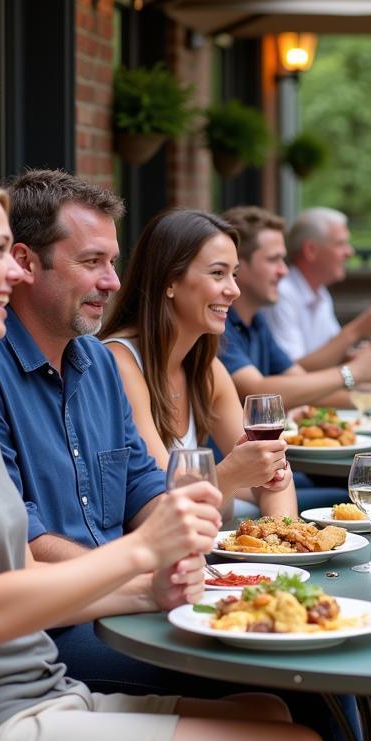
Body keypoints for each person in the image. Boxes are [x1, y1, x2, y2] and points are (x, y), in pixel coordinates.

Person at [0, 167, 331, 741]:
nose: (12, 274)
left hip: (36, 694)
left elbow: (27, 565)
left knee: (274, 717)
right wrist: (139, 558)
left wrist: (145, 586)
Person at [100, 208, 296, 518]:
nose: (234, 290)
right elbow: (167, 500)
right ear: (170, 281)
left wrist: (282, 545)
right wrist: (233, 472)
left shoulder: (207, 370)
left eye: (234, 274)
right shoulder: (119, 364)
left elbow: (276, 478)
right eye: (218, 273)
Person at [220, 205, 371, 410]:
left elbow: (299, 382)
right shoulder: (220, 326)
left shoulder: (256, 321)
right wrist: (354, 372)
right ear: (237, 266)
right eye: (273, 259)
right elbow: (258, 391)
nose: (284, 271)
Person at [264, 206, 371, 367]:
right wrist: (356, 330)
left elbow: (333, 354)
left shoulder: (320, 292)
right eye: (341, 244)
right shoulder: (282, 293)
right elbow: (293, 370)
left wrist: (367, 355)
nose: (350, 252)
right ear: (311, 250)